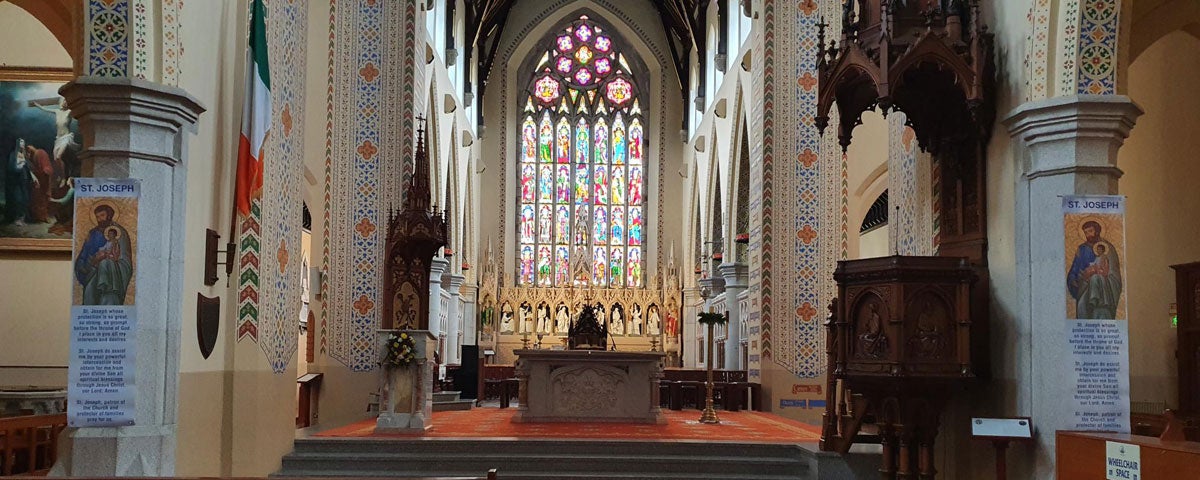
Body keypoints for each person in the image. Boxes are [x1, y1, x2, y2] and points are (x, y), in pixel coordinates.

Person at [74, 204, 133, 305]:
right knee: (90, 296)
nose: (99, 219)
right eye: (97, 217)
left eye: (102, 215)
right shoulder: (92, 233)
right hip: (92, 274)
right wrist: (88, 264)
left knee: (109, 299)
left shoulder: (120, 233)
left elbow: (125, 261)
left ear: (109, 215)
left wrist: (106, 261)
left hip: (111, 277)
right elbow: (84, 255)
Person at [1066, 220, 1122, 319]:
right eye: (1086, 232)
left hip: (1103, 288)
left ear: (1097, 231)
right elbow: (1074, 270)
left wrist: (1097, 274)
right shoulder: (1082, 249)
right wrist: (1074, 280)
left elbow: (1114, 274)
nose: (1088, 235)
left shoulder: (1108, 248)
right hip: (1084, 287)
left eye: (1090, 231)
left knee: (1101, 311)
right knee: (1082, 306)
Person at [5, 139, 35, 225]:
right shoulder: (13, 155)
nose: (23, 144)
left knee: (25, 199)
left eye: (24, 142)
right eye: (21, 142)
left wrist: (33, 177)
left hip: (24, 181)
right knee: (18, 199)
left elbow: (28, 169)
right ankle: (17, 219)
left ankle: (22, 218)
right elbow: (12, 168)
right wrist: (20, 165)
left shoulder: (24, 155)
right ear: (17, 144)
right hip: (17, 181)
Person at [25, 144, 54, 223]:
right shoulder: (31, 157)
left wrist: (45, 171)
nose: (28, 154)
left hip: (43, 178)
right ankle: (39, 216)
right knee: (37, 198)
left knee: (43, 198)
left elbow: (46, 165)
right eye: (27, 153)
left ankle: (43, 217)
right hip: (38, 179)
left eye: (28, 152)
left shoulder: (40, 152)